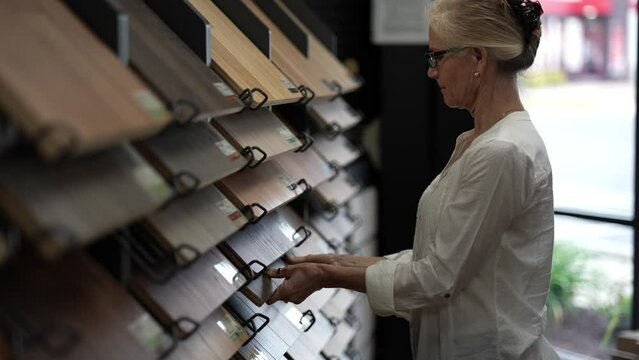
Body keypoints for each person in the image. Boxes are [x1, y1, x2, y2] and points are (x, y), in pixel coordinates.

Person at [266, 0, 558, 358]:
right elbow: (437, 260)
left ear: (478, 59)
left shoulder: (502, 151)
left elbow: (436, 279)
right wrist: (334, 262)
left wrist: (328, 277)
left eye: (437, 57)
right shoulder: (478, 141)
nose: (431, 72)